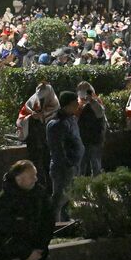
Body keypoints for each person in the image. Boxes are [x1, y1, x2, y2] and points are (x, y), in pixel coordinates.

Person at [0, 159, 54, 260]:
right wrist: (26, 254)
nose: (35, 179)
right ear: (19, 179)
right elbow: (3, 231)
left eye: (35, 175)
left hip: (37, 257)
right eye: (31, 177)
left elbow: (48, 222)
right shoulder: (4, 201)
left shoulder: (40, 195)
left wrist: (40, 248)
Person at [46, 91, 84, 223]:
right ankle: (54, 225)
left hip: (73, 165)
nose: (77, 107)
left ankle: (65, 222)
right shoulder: (56, 124)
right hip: (63, 168)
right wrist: (67, 163)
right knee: (59, 198)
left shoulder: (71, 119)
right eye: (75, 104)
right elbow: (57, 149)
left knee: (69, 198)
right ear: (67, 105)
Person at [75, 81, 106, 176]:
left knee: (95, 164)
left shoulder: (96, 103)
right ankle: (81, 186)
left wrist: (91, 101)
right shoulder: (78, 104)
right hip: (83, 139)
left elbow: (100, 115)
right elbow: (75, 119)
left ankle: (97, 186)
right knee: (81, 166)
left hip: (95, 139)